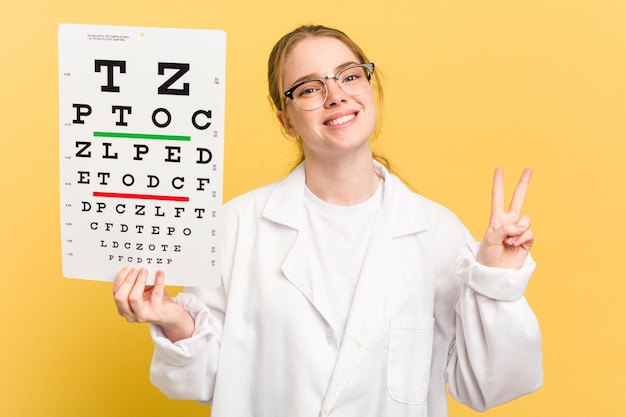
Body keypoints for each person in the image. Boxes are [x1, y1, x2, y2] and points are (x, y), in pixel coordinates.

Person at [113, 24, 543, 417]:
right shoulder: (236, 227)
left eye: (350, 75)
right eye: (308, 88)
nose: (336, 95)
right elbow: (200, 379)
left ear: (370, 87)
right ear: (285, 121)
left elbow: (488, 387)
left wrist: (495, 284)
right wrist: (173, 320)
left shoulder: (436, 232)